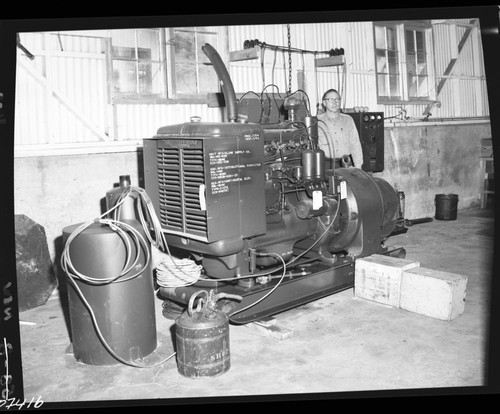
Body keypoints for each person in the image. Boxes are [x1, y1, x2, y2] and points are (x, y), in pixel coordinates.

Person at [317, 88, 364, 169]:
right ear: (324, 103)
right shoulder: (317, 121)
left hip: (345, 164)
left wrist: (358, 168)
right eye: (331, 99)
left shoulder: (348, 120)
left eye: (337, 99)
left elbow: (355, 145)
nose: (335, 102)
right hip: (324, 166)